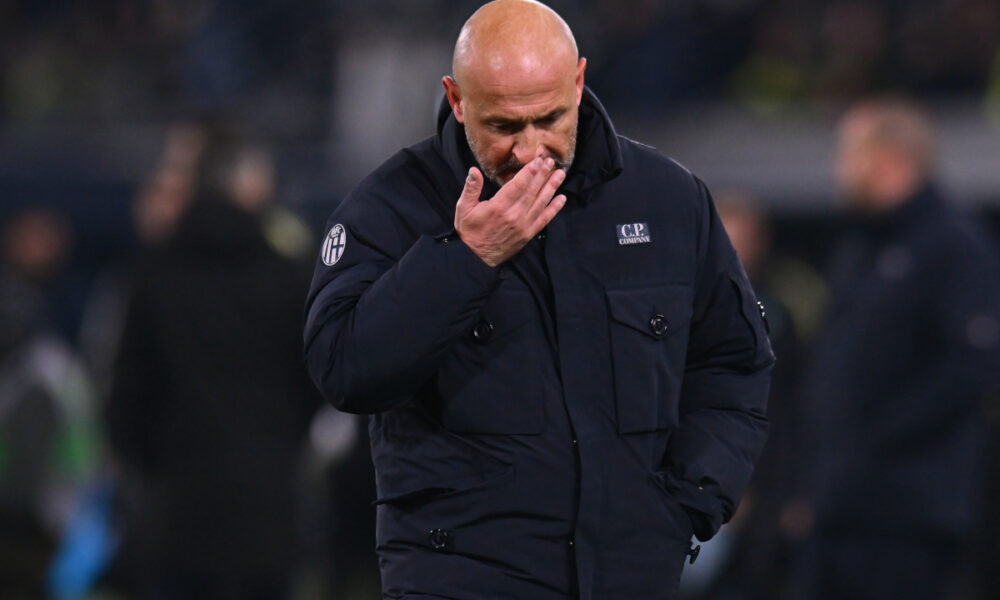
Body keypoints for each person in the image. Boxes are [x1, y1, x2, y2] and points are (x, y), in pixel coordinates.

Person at [303, 1, 773, 598]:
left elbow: (734, 361)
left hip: (629, 577)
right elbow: (343, 369)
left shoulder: (668, 201)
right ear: (456, 100)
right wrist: (464, 260)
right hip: (461, 579)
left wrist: (689, 499)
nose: (530, 150)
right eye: (503, 126)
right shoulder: (392, 208)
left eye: (549, 118)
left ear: (579, 81)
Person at [788, 98, 1000, 600]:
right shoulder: (860, 249)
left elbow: (971, 367)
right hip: (839, 506)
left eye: (848, 154)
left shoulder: (954, 244)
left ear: (889, 159)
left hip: (907, 514)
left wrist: (874, 438)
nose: (839, 169)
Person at [106, 127, 321, 599]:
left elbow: (125, 400)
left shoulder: (155, 274)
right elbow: (314, 386)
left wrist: (155, 468)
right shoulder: (288, 274)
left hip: (178, 512)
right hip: (268, 509)